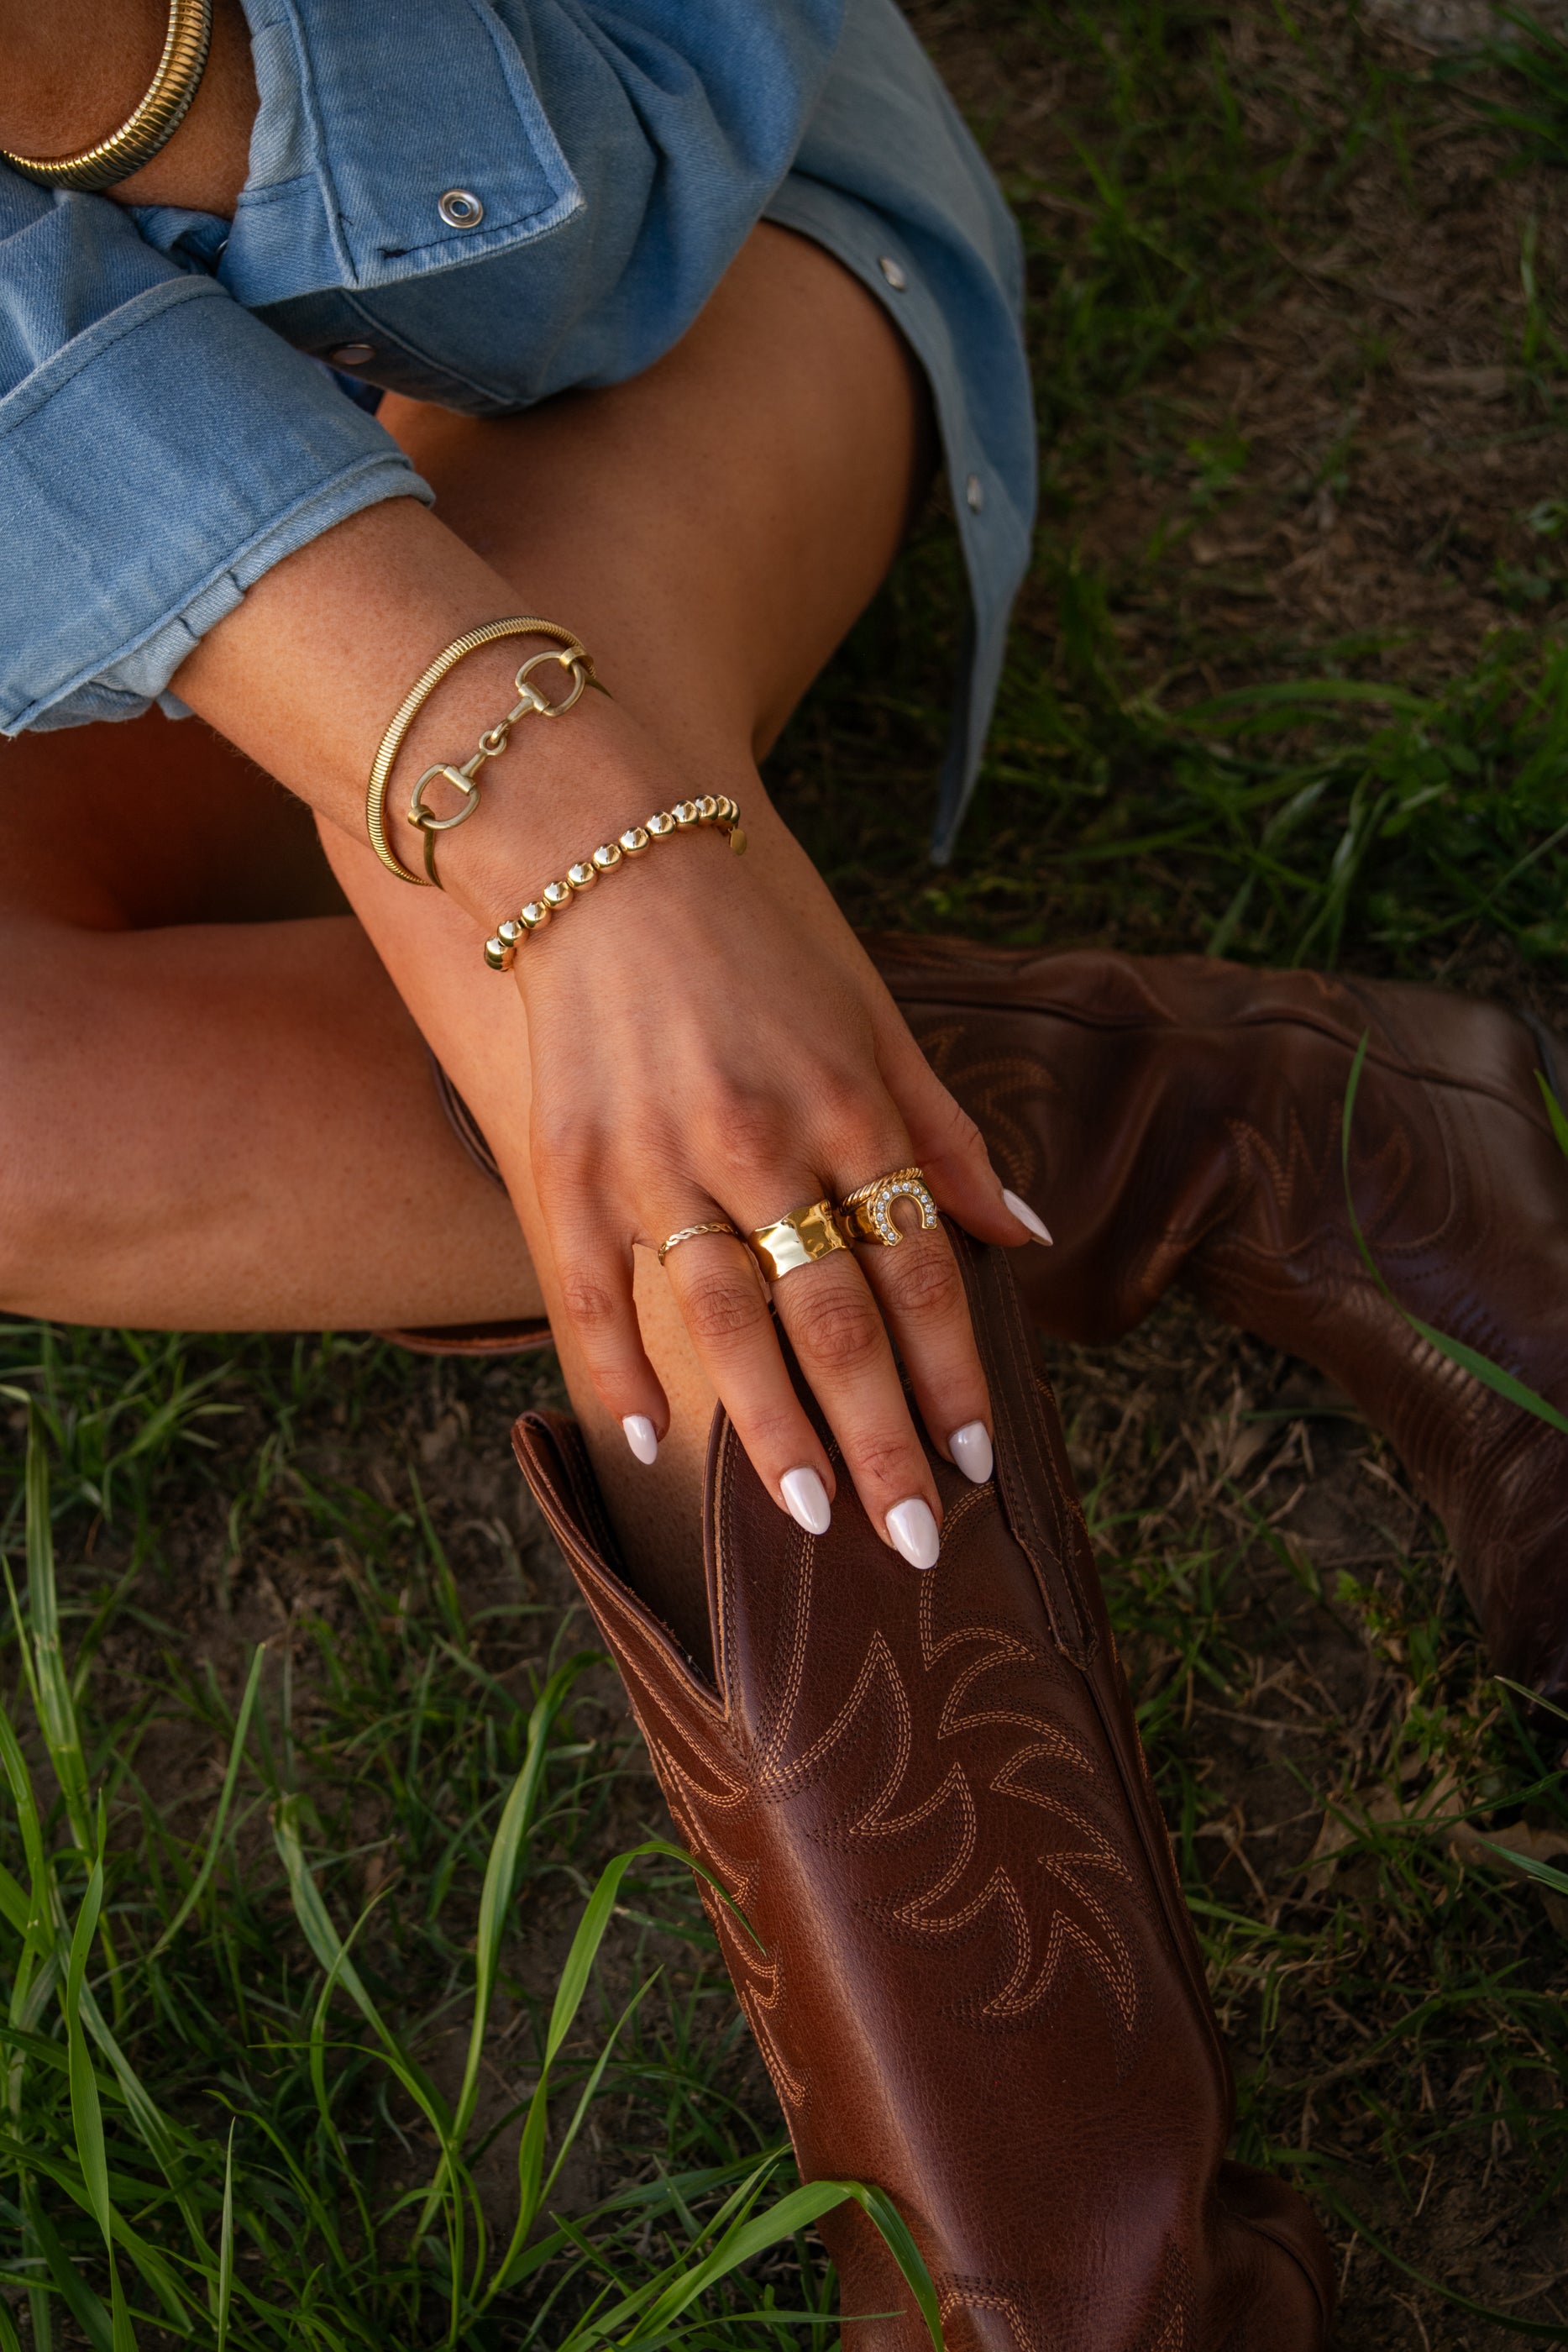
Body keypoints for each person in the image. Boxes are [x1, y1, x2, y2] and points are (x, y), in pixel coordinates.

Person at [5, 6, 1565, 2344]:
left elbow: (584, 233)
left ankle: (1068, 2304)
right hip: (80, 566)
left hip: (653, 264)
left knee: (550, 993)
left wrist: (112, 76)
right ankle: (1216, 1121)